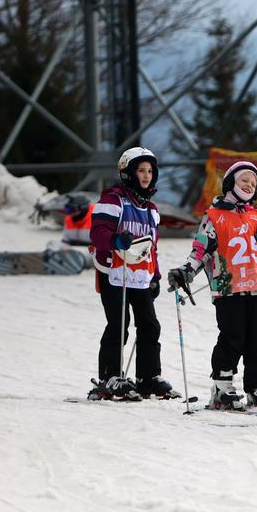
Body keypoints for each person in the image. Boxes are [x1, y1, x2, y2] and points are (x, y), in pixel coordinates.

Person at [168, 161, 257, 410]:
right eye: (244, 180)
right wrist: (186, 271)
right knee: (232, 337)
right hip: (229, 288)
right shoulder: (214, 215)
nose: (250, 185)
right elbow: (201, 250)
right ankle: (222, 387)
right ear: (230, 183)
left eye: (253, 182)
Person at [87, 148, 173, 401]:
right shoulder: (113, 201)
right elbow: (97, 233)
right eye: (141, 170)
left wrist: (155, 276)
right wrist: (114, 240)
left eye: (150, 171)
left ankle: (148, 377)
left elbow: (151, 247)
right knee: (119, 324)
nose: (146, 176)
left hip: (140, 275)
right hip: (114, 272)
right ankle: (110, 376)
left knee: (149, 324)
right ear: (128, 172)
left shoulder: (151, 209)